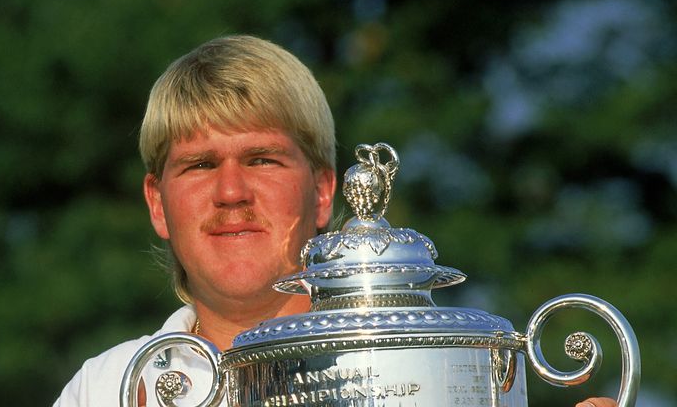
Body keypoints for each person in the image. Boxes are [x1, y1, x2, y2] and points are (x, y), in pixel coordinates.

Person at [53, 35, 616, 407]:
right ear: (157, 203)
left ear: (323, 191)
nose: (231, 193)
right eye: (200, 166)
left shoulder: (457, 365)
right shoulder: (105, 387)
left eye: (261, 159)